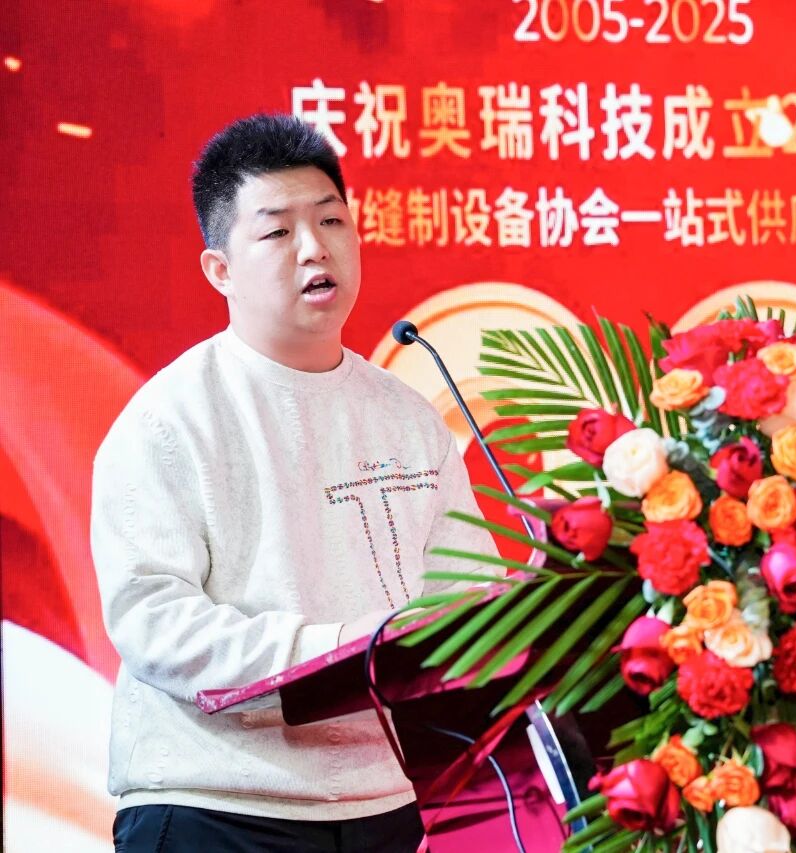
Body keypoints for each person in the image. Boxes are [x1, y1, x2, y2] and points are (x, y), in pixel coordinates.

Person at [91, 113, 499, 852]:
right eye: (278, 231)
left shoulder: (409, 417)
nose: (315, 247)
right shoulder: (169, 418)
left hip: (388, 803)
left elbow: (466, 594)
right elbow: (153, 619)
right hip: (216, 805)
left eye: (332, 220)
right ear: (219, 269)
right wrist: (341, 651)